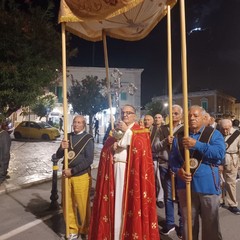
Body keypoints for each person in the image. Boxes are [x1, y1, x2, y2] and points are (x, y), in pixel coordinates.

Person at [89, 104, 160, 240]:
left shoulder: (142, 132)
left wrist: (127, 131)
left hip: (132, 175)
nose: (125, 115)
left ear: (135, 115)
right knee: (115, 205)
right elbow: (105, 150)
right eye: (123, 113)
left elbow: (141, 147)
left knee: (129, 206)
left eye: (128, 113)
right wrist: (111, 147)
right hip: (114, 172)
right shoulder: (114, 131)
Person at [170, 105, 225, 240]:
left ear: (203, 118)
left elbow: (219, 154)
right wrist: (178, 172)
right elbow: (173, 161)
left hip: (208, 187)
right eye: (189, 116)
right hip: (186, 187)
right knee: (188, 226)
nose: (192, 118)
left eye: (196, 116)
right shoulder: (180, 136)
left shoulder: (213, 134)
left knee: (210, 226)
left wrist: (197, 144)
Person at [56, 115, 94, 240]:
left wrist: (72, 171)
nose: (76, 124)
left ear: (84, 124)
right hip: (66, 176)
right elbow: (58, 155)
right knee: (68, 204)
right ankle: (72, 229)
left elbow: (89, 160)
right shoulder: (68, 136)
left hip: (80, 175)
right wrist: (62, 147)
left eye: (79, 122)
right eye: (75, 122)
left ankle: (85, 228)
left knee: (83, 205)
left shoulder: (88, 139)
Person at [154, 104, 184, 238]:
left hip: (180, 169)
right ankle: (170, 223)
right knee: (168, 197)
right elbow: (155, 146)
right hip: (165, 166)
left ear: (181, 115)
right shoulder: (162, 129)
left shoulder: (185, 130)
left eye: (176, 113)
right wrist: (166, 141)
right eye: (171, 113)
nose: (173, 116)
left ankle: (183, 226)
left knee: (182, 197)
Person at [219, 119, 240, 214]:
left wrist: (239, 164)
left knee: (231, 183)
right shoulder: (218, 133)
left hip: (232, 160)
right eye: (223, 129)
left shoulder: (237, 134)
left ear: (230, 126)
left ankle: (233, 204)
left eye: (226, 129)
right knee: (219, 182)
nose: (224, 131)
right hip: (219, 159)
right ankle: (220, 200)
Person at [151, 114, 165, 209]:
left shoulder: (164, 129)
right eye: (155, 117)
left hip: (160, 156)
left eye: (159, 117)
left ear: (162, 119)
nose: (157, 119)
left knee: (159, 178)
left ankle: (160, 198)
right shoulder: (151, 129)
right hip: (151, 156)